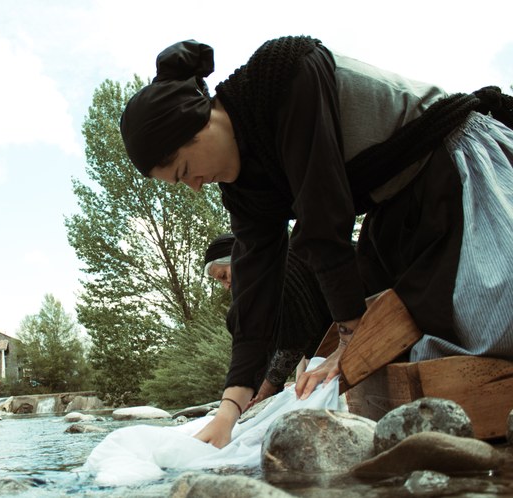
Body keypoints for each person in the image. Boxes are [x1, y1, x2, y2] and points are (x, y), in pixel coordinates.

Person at [120, 36, 513, 449]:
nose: (195, 186)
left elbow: (322, 218)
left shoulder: (283, 74)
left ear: (200, 120)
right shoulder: (244, 191)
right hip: (397, 214)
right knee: (411, 354)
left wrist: (353, 339)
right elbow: (255, 299)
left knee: (492, 319)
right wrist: (228, 413)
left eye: (184, 170)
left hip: (456, 168)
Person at [204, 233, 330, 402]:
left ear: (240, 258)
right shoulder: (266, 281)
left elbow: (294, 342)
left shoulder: (282, 270)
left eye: (224, 275)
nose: (226, 286)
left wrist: (264, 393)